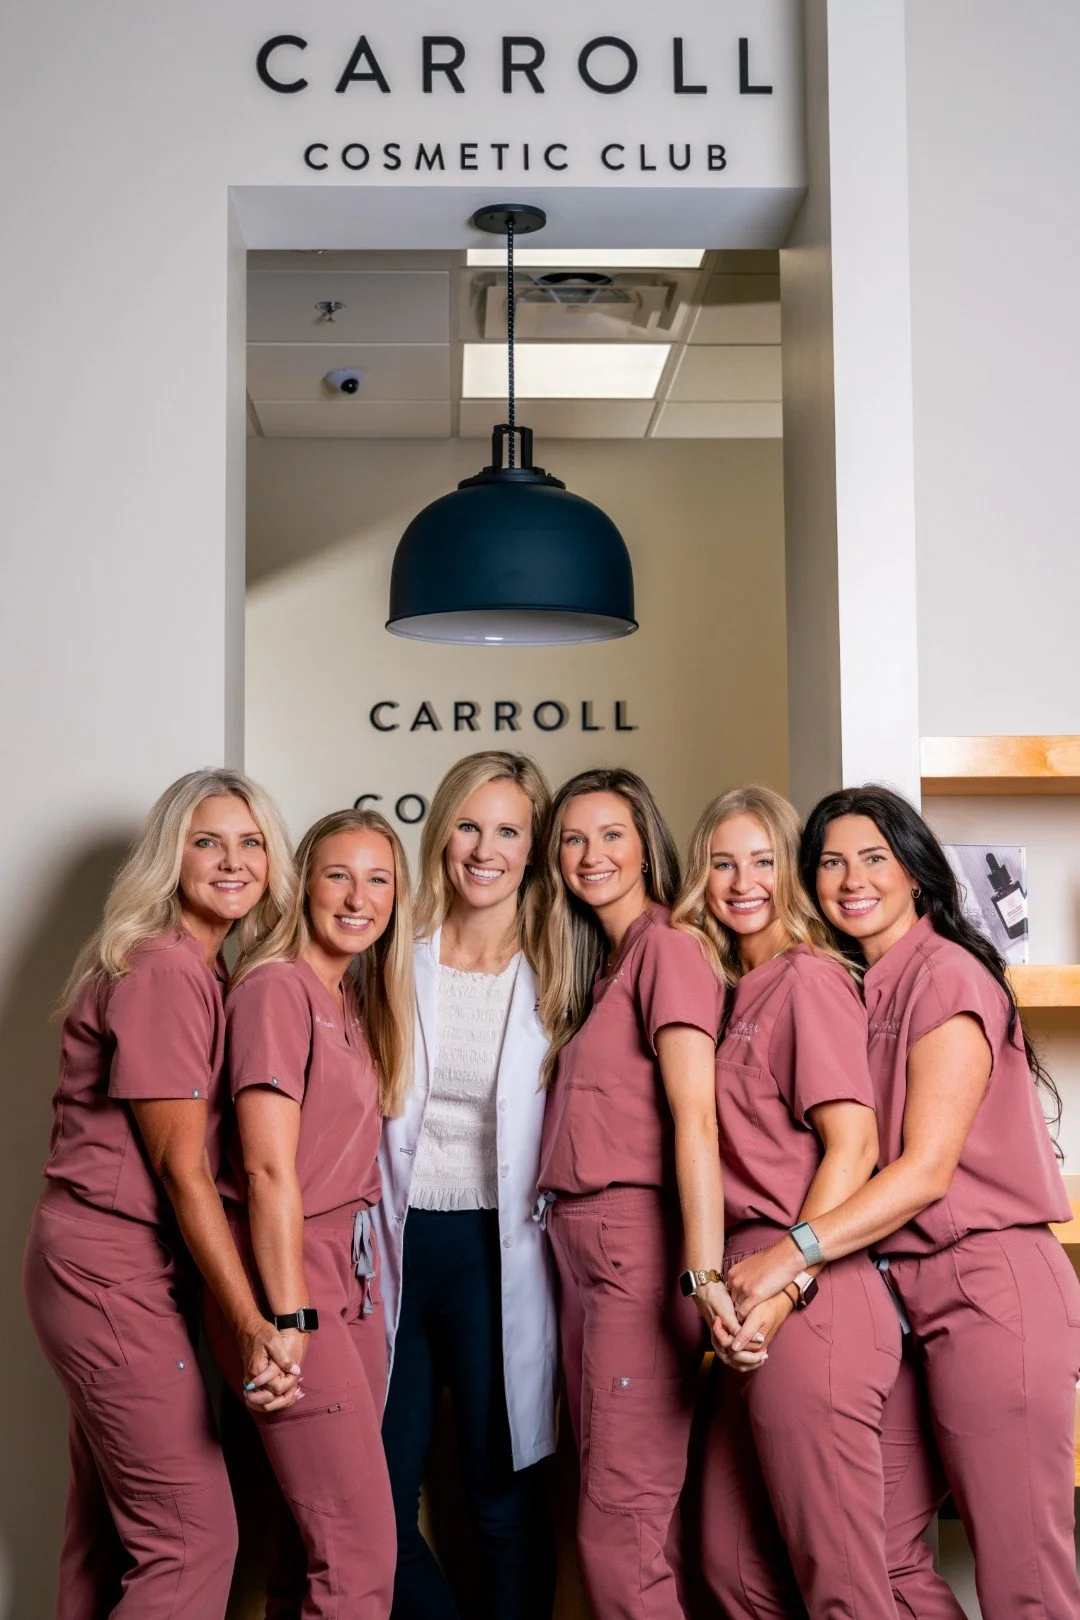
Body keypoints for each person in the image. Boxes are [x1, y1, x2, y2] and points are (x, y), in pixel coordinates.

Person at [726, 783, 1080, 1620]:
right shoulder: (853, 983)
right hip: (895, 1296)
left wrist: (787, 1256)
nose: (852, 878)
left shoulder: (946, 974)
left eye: (874, 858)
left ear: (915, 872)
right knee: (877, 1548)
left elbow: (923, 1172)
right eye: (830, 862)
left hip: (988, 1287)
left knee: (1023, 1569)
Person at [674, 784, 961, 1619]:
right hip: (744, 1288)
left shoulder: (808, 978)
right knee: (733, 1572)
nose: (741, 881)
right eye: (722, 862)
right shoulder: (734, 989)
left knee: (842, 1580)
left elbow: (857, 1146)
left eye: (763, 860)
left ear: (789, 873)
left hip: (811, 1294)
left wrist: (789, 1284)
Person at [23, 768, 300, 1620]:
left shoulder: (205, 971)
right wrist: (256, 1320)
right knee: (191, 1537)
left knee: (106, 1533)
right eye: (206, 841)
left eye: (251, 842)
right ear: (167, 857)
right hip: (109, 1271)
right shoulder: (165, 971)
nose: (233, 861)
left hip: (102, 1266)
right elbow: (182, 1171)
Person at [534, 767, 733, 1620]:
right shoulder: (606, 962)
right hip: (582, 1252)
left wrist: (702, 1274)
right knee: (627, 1515)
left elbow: (697, 1119)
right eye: (573, 839)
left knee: (618, 1524)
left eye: (611, 834)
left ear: (648, 842)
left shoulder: (669, 948)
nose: (591, 855)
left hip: (633, 1250)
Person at [208, 807, 414, 1620]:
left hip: (351, 1274)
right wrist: (286, 1312)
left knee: (313, 1543)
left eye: (378, 880)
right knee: (359, 1551)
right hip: (288, 1274)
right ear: (304, 885)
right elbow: (264, 1168)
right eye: (338, 874)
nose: (358, 897)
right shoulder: (274, 990)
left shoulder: (353, 999)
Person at [376, 752, 557, 1620]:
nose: (485, 849)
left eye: (509, 830)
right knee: (373, 1497)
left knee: (504, 1497)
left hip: (500, 1249)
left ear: (535, 846)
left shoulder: (564, 972)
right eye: (469, 825)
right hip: (396, 1243)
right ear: (441, 829)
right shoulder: (389, 955)